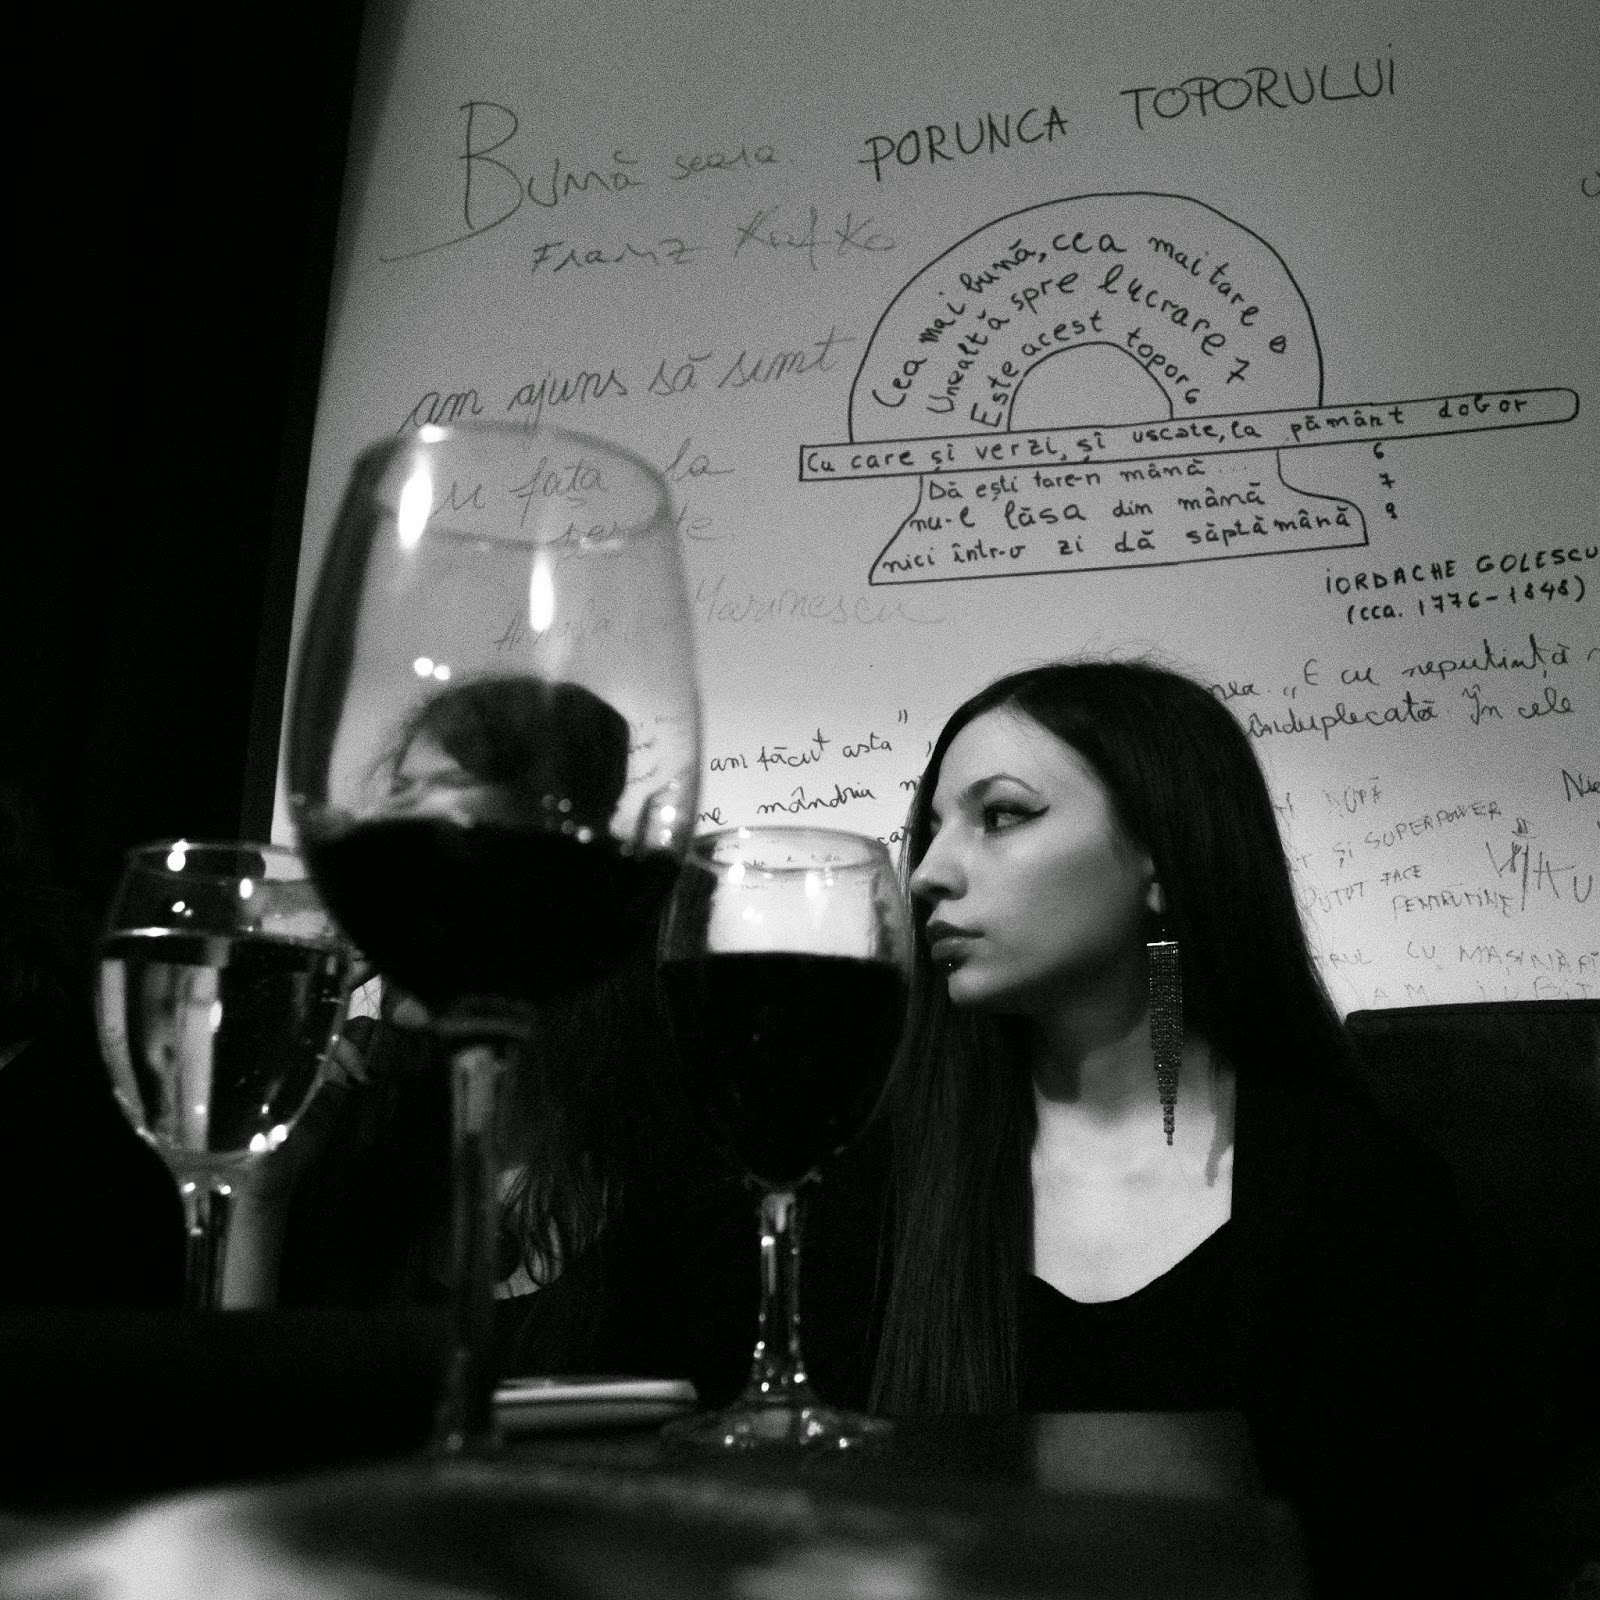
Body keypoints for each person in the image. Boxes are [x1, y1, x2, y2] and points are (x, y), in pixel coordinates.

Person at [867, 659, 1487, 1597]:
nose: (928, 874)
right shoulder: (869, 1192)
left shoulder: (1360, 1193)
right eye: (933, 829)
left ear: (1161, 857)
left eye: (1001, 815)